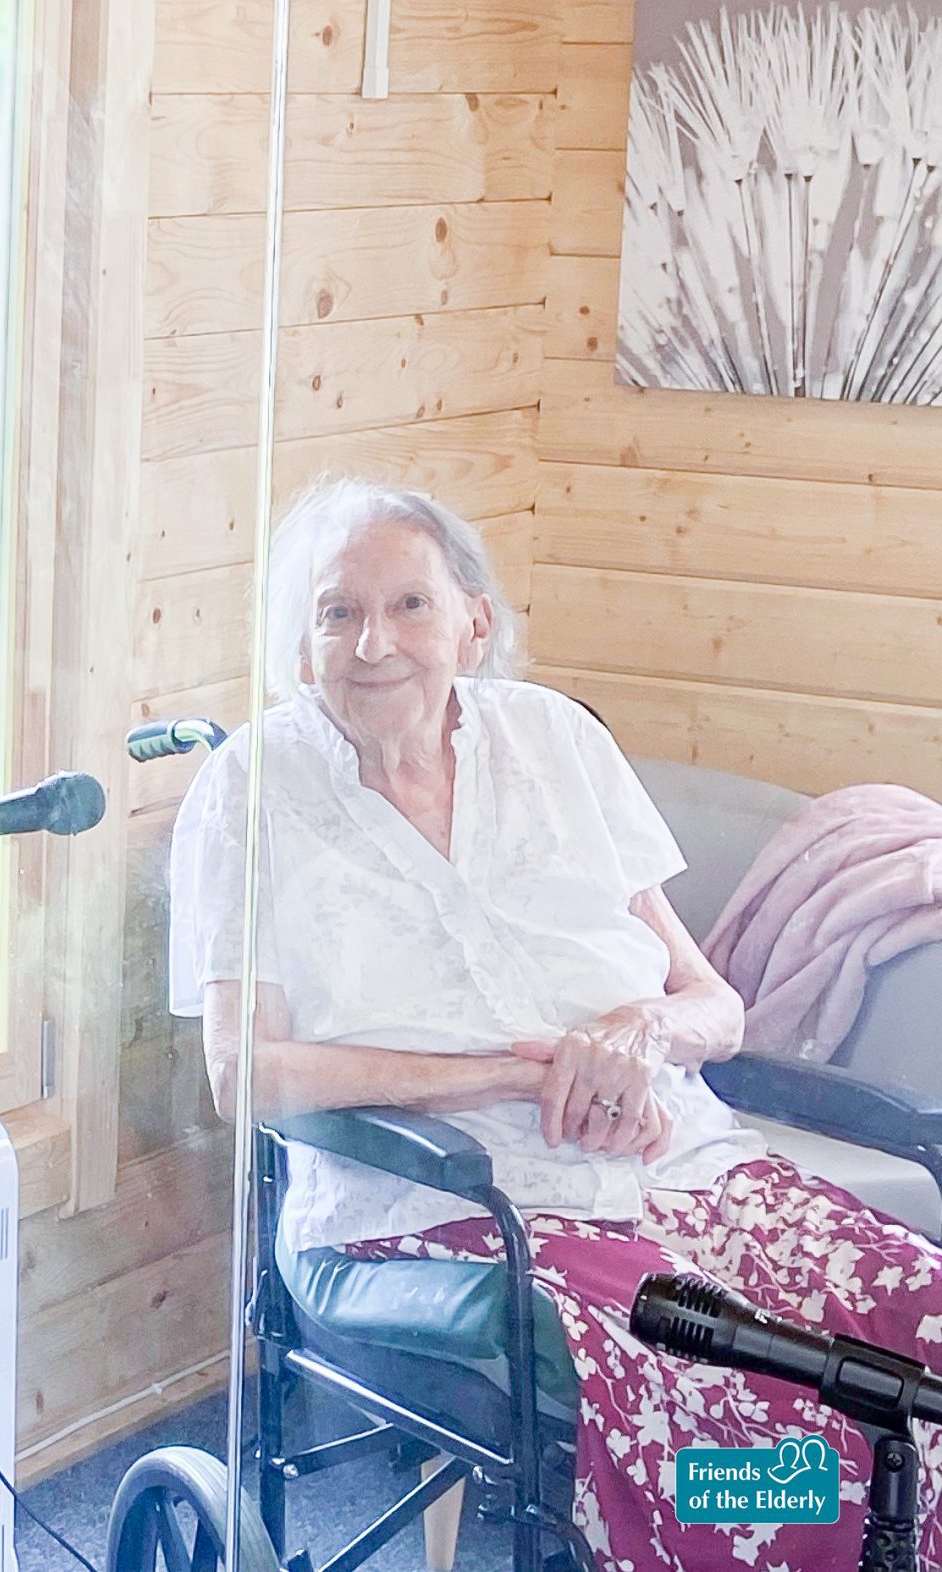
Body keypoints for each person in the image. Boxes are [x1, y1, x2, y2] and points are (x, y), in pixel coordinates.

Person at [169, 478, 942, 1572]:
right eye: (336, 613)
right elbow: (238, 1072)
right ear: (301, 647)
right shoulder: (249, 791)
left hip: (681, 1166)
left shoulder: (556, 744)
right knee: (783, 1452)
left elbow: (711, 1007)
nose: (372, 642)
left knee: (923, 1317)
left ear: (473, 622)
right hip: (437, 1209)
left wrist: (631, 1038)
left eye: (408, 605)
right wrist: (502, 1076)